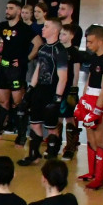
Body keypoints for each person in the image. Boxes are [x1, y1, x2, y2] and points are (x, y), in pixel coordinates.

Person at [0, 0, 42, 140]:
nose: (7, 11)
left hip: (16, 70)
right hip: (3, 68)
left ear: (18, 11)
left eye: (11, 8)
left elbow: (38, 43)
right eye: (7, 8)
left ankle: (21, 135)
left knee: (18, 103)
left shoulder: (24, 29)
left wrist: (26, 59)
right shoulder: (2, 26)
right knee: (2, 102)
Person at [74, 25, 103, 189]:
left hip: (100, 102)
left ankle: (99, 178)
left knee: (100, 139)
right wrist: (82, 100)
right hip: (89, 100)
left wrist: (97, 110)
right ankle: (92, 172)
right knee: (91, 138)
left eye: (91, 42)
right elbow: (89, 79)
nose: (89, 45)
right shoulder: (94, 58)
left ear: (100, 41)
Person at [19, 18, 68, 165]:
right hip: (39, 89)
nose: (43, 29)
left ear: (55, 30)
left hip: (51, 91)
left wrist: (57, 99)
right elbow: (38, 70)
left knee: (51, 127)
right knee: (34, 123)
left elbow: (63, 77)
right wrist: (30, 89)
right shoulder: (43, 48)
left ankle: (52, 155)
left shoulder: (60, 51)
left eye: (46, 26)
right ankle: (35, 155)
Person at [58, 24, 83, 160]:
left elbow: (76, 72)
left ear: (71, 36)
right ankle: (55, 144)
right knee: (57, 116)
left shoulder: (74, 53)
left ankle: (71, 146)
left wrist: (74, 89)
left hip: (68, 88)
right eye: (60, 34)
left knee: (69, 116)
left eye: (64, 34)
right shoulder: (58, 50)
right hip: (58, 87)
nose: (61, 36)